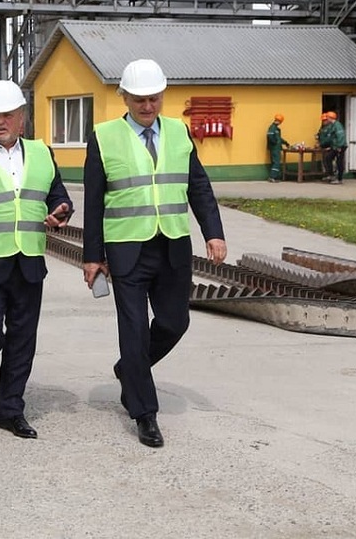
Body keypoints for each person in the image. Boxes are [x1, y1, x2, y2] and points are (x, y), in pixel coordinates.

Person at [82, 59, 227, 448]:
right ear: (124, 98)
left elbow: (198, 186)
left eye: (154, 98)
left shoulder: (179, 132)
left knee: (175, 323)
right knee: (132, 330)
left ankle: (129, 370)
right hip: (127, 249)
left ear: (163, 96)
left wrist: (213, 232)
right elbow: (93, 202)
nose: (147, 106)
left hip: (173, 245)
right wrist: (93, 256)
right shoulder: (104, 137)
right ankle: (144, 413)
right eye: (139, 99)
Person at [0, 80, 72, 440]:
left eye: (8, 115)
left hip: (29, 259)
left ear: (22, 117)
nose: (1, 122)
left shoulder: (41, 152)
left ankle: (11, 409)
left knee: (23, 337)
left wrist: (61, 209)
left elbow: (57, 194)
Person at [322, 111, 347, 185]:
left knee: (339, 162)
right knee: (328, 158)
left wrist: (339, 146)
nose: (326, 119)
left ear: (330, 118)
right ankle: (331, 175)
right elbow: (332, 137)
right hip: (335, 146)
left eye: (327, 118)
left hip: (340, 146)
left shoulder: (337, 125)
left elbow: (340, 136)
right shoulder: (332, 125)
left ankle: (339, 179)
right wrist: (331, 147)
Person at [266, 114, 289, 183]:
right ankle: (272, 177)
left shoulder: (276, 129)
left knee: (275, 162)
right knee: (276, 162)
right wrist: (275, 142)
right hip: (274, 148)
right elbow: (270, 137)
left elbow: (279, 138)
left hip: (276, 148)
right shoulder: (272, 128)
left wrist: (285, 142)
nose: (279, 122)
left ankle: (274, 177)